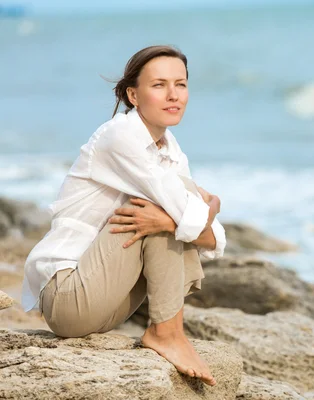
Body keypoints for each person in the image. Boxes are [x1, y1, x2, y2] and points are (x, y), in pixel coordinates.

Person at [21, 45, 225, 386]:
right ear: (133, 94)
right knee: (155, 212)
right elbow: (194, 220)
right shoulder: (120, 134)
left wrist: (185, 219)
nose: (173, 95)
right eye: (159, 85)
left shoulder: (171, 153)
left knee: (165, 213)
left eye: (181, 84)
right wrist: (208, 208)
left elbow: (214, 240)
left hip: (109, 302)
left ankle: (168, 332)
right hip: (68, 295)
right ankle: (167, 333)